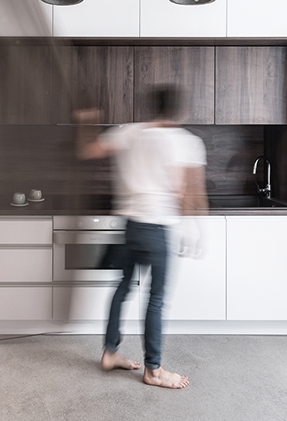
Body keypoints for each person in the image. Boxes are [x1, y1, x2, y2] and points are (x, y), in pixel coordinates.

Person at [75, 85, 208, 389]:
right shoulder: (187, 142)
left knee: (123, 287)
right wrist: (196, 229)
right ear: (181, 112)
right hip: (158, 228)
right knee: (157, 299)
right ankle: (154, 370)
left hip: (130, 226)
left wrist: (85, 120)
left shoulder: (130, 132)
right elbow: (191, 194)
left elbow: (87, 150)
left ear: (153, 106)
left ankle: (110, 353)